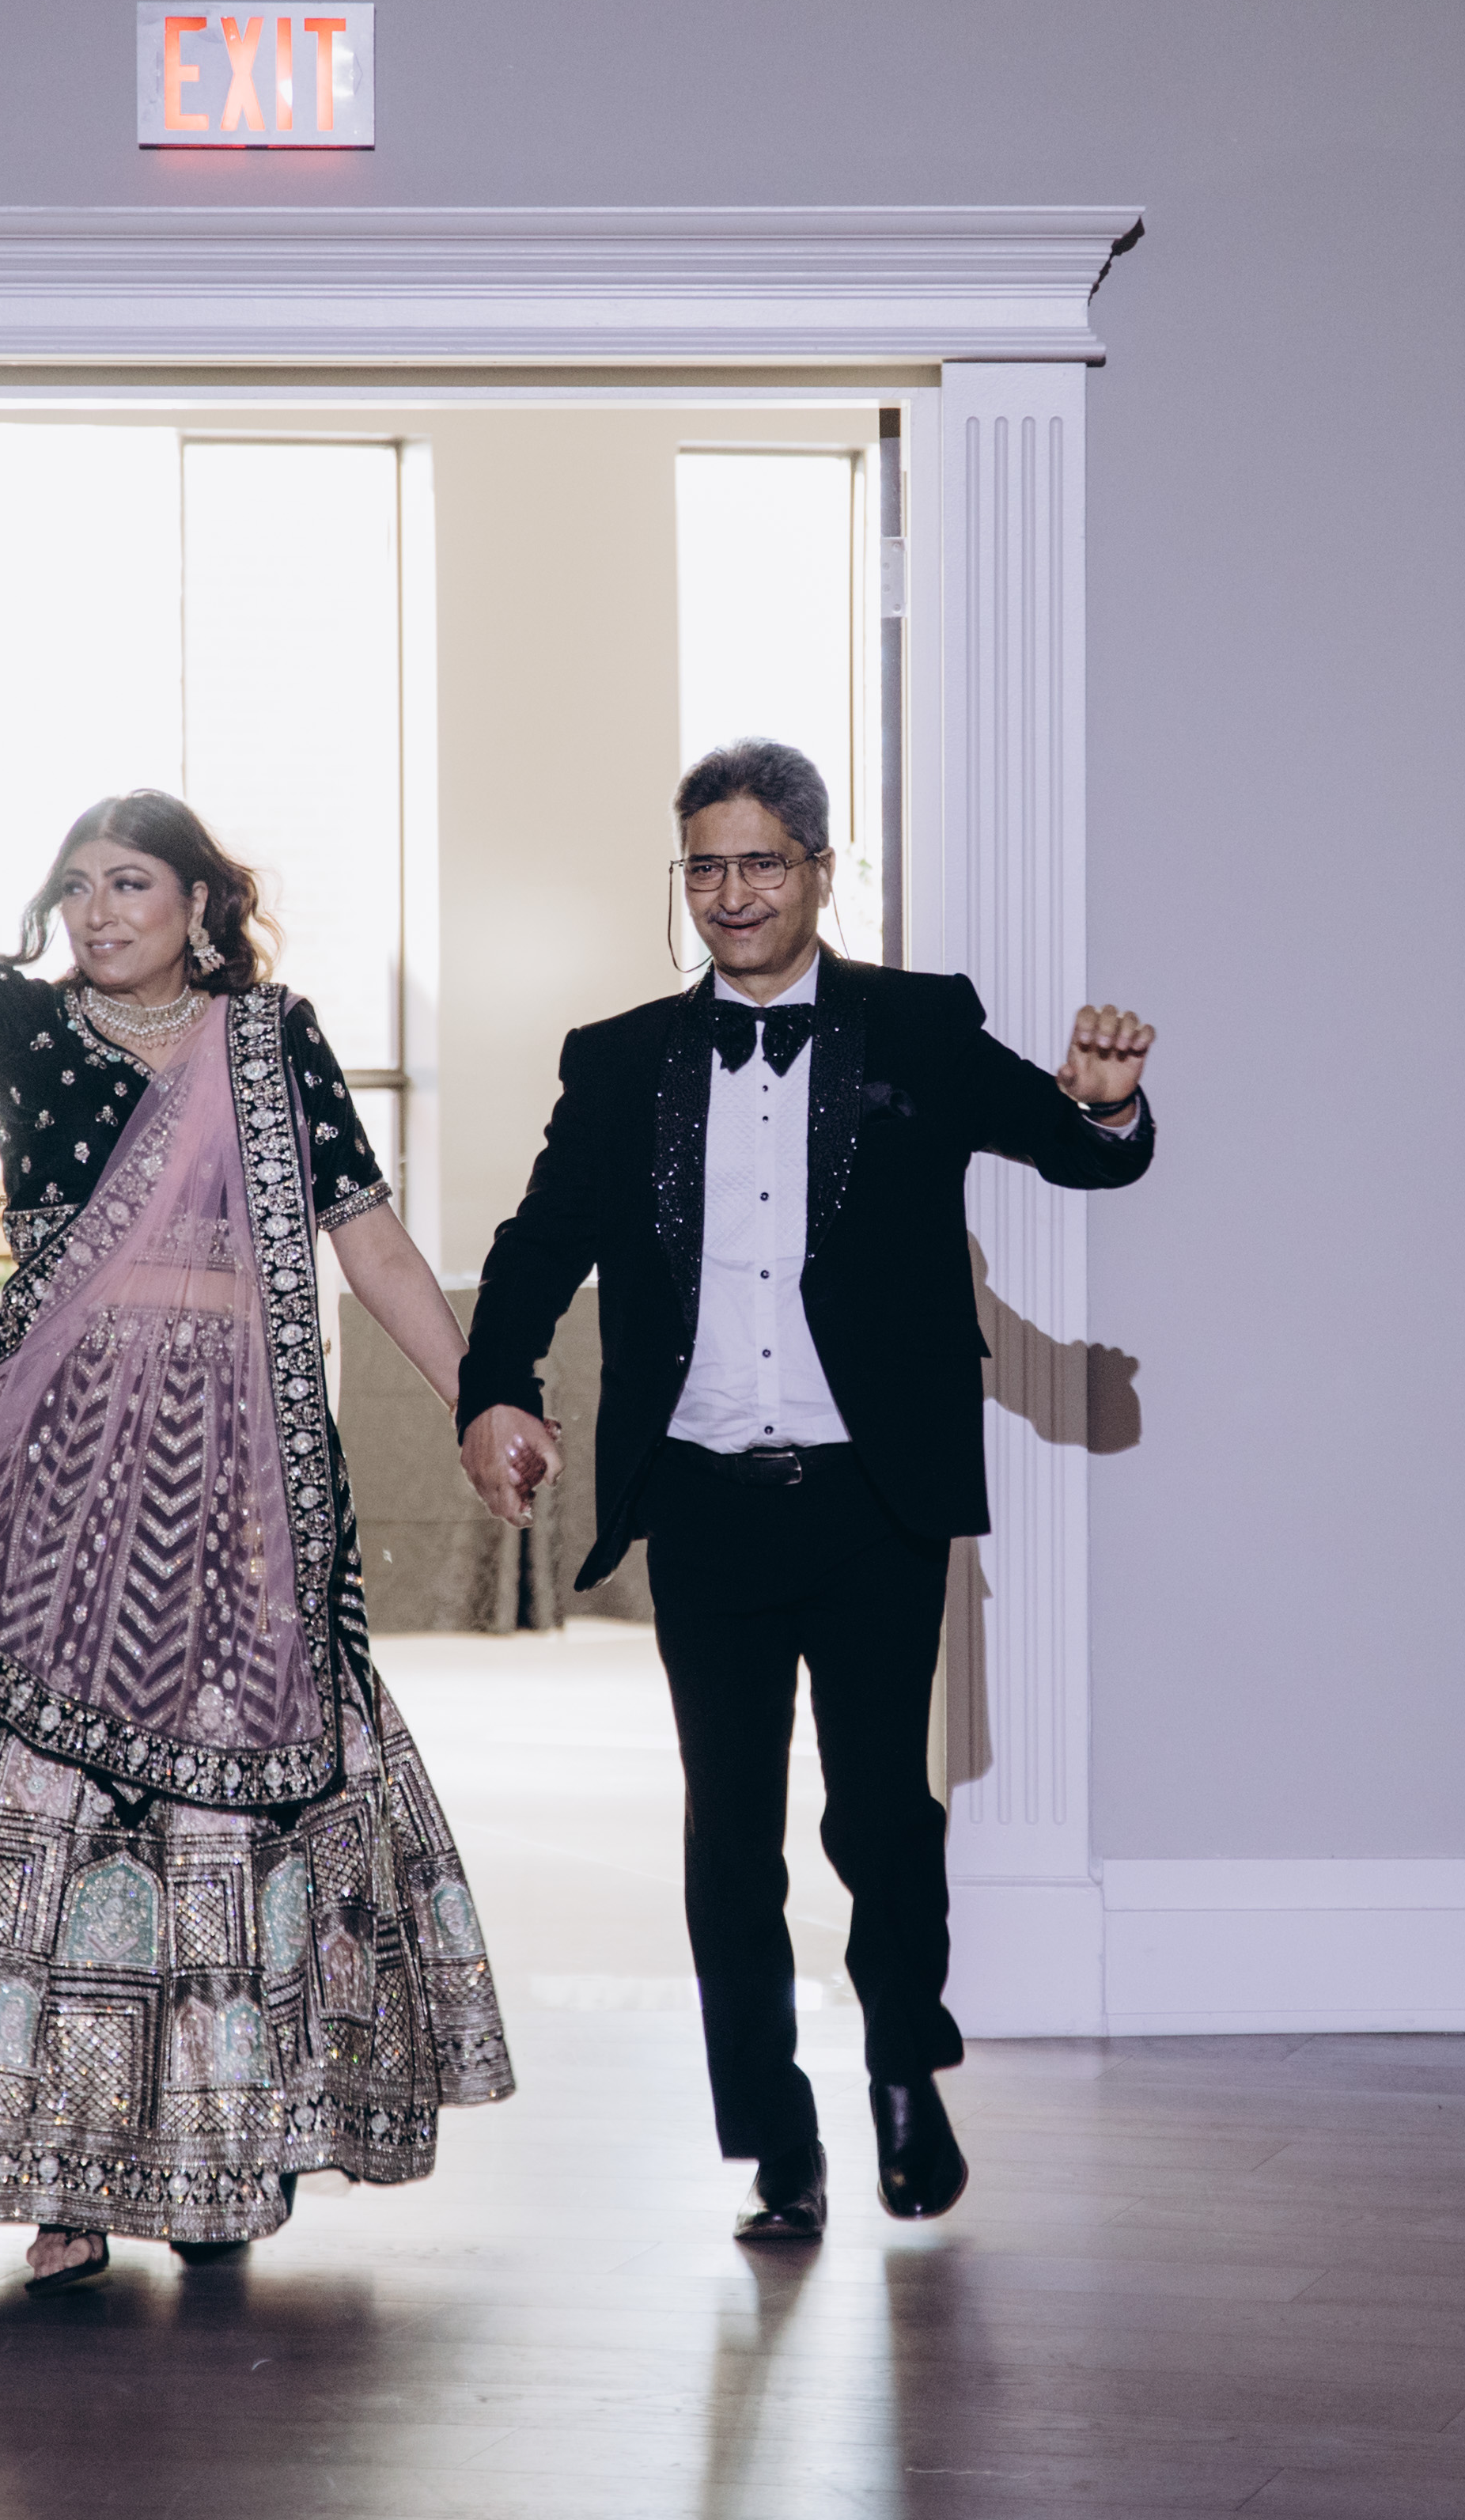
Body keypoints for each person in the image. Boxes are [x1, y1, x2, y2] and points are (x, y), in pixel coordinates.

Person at [0, 615, 511, 2297]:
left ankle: (219, 2148)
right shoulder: (20, 1023)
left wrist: (477, 1395)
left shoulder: (272, 1045)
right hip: (66, 1472)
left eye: (129, 882)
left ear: (201, 903)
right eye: (76, 886)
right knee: (50, 1803)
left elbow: (369, 1241)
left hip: (244, 1487)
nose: (96, 909)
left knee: (237, 1797)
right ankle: (60, 2173)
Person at [452, 739, 1155, 2242]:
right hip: (703, 1496)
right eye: (705, 866)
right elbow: (537, 1242)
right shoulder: (622, 1060)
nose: (733, 894)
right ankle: (775, 2138)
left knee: (882, 1814)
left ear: (821, 873)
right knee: (730, 1834)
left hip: (869, 1494)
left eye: (762, 863)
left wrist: (1102, 1107)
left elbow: (1072, 1151)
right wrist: (495, 1385)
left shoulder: (917, 1025)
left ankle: (904, 2063)